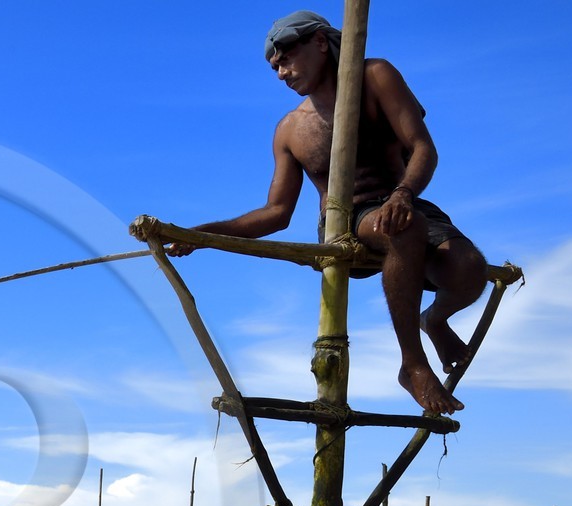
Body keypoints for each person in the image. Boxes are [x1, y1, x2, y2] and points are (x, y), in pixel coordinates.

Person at [174, 10, 487, 416]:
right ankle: (412, 365)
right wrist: (200, 234)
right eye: (274, 67)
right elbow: (276, 213)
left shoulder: (375, 77)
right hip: (347, 219)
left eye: (285, 57)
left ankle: (436, 320)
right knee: (405, 229)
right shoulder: (290, 129)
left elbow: (422, 147)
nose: (281, 72)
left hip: (403, 200)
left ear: (320, 41)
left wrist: (404, 194)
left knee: (468, 267)